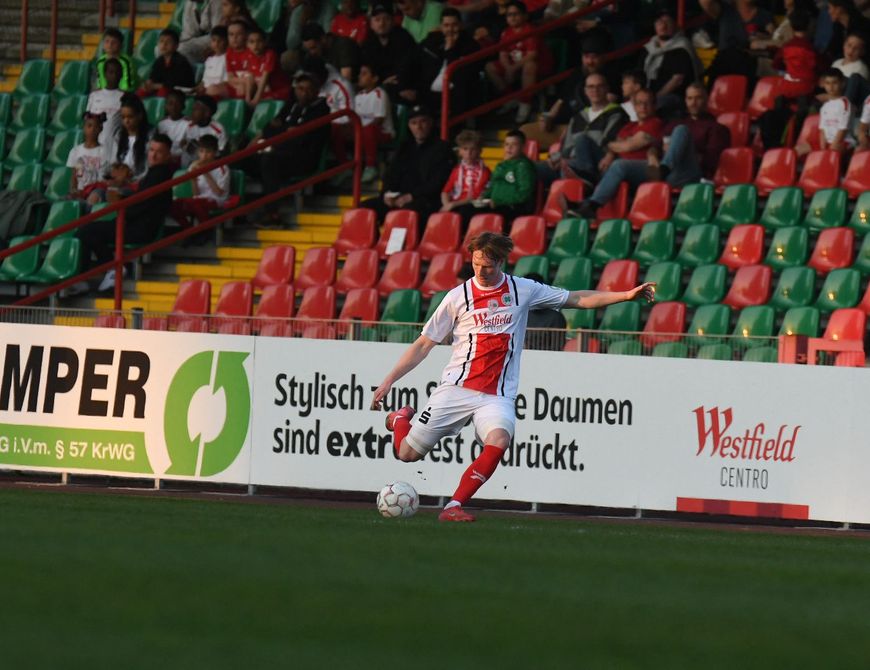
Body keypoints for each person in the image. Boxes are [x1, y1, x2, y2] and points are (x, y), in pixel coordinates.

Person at [371, 231, 655, 522]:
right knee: (406, 454)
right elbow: (423, 344)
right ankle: (401, 418)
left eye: (488, 266)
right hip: (455, 389)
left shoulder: (523, 290)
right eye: (476, 263)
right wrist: (388, 381)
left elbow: (576, 299)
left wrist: (626, 295)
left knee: (500, 439)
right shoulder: (458, 297)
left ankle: (453, 506)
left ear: (502, 263)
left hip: (496, 396)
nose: (480, 271)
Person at [77, 134, 175, 292]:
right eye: (151, 150)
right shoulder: (155, 173)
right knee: (87, 230)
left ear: (168, 155)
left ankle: (111, 269)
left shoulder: (160, 175)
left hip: (140, 228)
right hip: (133, 223)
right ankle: (101, 271)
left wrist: (121, 206)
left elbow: (143, 204)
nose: (153, 155)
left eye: (159, 152)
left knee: (86, 231)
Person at [246, 71, 331, 226]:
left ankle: (272, 215)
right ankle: (237, 213)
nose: (303, 93)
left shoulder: (321, 110)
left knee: (268, 161)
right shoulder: (291, 104)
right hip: (280, 153)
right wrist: (285, 130)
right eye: (300, 88)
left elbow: (299, 137)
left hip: (304, 158)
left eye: (307, 89)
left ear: (316, 92)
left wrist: (282, 130)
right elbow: (269, 128)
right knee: (242, 160)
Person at [569, 88, 664, 217]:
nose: (643, 107)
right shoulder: (629, 126)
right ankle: (587, 181)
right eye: (639, 103)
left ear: (654, 105)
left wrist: (617, 146)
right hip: (615, 166)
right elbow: (616, 146)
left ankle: (592, 206)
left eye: (648, 103)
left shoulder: (655, 123)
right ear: (634, 106)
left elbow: (628, 146)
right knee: (582, 141)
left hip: (642, 168)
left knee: (620, 165)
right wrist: (610, 154)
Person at [360, 104, 454, 227]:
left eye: (423, 122)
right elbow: (390, 175)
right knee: (364, 209)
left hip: (427, 201)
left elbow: (439, 182)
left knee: (407, 212)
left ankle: (399, 246)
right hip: (399, 198)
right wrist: (386, 195)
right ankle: (369, 245)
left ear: (431, 123)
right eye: (413, 123)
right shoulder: (404, 147)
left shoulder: (443, 148)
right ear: (409, 126)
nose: (418, 127)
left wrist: (411, 196)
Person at [535, 72, 628, 188]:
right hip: (569, 164)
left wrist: (568, 161)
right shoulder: (577, 117)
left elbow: (608, 143)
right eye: (591, 87)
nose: (595, 90)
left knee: (582, 139)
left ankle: (584, 178)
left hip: (598, 164)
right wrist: (553, 159)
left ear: (607, 89)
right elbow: (565, 147)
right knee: (528, 168)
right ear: (585, 91)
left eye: (600, 86)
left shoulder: (616, 114)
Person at [485, 1, 552, 124]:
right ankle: (510, 98)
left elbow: (532, 55)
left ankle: (525, 103)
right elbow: (503, 53)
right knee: (490, 67)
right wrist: (508, 68)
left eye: (516, 14)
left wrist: (512, 69)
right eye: (509, 15)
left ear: (525, 16)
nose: (512, 17)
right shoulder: (506, 32)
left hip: (538, 65)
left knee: (529, 65)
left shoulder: (531, 30)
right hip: (515, 65)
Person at [452, 129, 535, 223]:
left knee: (468, 213)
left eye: (514, 144)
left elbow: (524, 194)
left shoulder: (524, 166)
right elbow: (493, 187)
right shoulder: (501, 165)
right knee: (462, 210)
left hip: (514, 208)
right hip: (496, 205)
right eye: (507, 144)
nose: (509, 148)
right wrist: (483, 197)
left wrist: (498, 201)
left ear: (523, 147)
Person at [419, 8, 480, 116]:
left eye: (454, 25)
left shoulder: (471, 45)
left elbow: (459, 73)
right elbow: (415, 55)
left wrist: (450, 50)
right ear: (441, 27)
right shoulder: (433, 39)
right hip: (429, 89)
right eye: (446, 25)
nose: (450, 29)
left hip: (457, 91)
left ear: (461, 25)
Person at [641, 9, 700, 118]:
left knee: (659, 104)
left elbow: (677, 80)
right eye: (659, 23)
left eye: (667, 22)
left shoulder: (681, 47)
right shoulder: (649, 48)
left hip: (674, 97)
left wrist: (654, 98)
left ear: (675, 25)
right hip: (650, 96)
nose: (663, 26)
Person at [361, 3, 420, 106]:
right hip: (379, 88)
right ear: (371, 24)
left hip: (403, 87)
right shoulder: (368, 43)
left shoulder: (404, 38)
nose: (381, 24)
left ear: (393, 21)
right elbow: (367, 72)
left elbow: (408, 69)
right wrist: (382, 83)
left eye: (386, 19)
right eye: (377, 20)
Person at [171, 134, 230, 227]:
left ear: (215, 153)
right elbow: (196, 194)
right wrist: (193, 180)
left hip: (216, 200)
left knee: (195, 203)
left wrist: (206, 173)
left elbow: (219, 193)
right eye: (201, 152)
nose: (204, 156)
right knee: (173, 205)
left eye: (208, 152)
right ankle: (187, 229)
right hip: (199, 200)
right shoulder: (194, 166)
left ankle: (205, 230)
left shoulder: (222, 168)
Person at [353, 64, 395, 183]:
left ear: (375, 78)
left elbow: (379, 120)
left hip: (383, 132)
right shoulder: (358, 96)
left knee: (368, 129)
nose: (359, 76)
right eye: (360, 73)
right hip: (362, 132)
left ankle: (371, 167)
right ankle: (346, 167)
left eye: (364, 73)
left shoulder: (380, 94)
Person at [799, 68, 855, 156]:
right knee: (798, 149)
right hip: (827, 142)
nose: (831, 87)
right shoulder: (825, 106)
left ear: (842, 83)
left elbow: (843, 130)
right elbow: (822, 130)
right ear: (824, 85)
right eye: (828, 83)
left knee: (832, 151)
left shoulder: (845, 103)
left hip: (843, 142)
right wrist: (822, 148)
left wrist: (831, 147)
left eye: (835, 83)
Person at [440, 129, 491, 213]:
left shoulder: (485, 172)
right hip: (456, 203)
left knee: (465, 211)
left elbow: (474, 197)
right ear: (459, 151)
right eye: (465, 149)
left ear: (479, 151)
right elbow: (445, 192)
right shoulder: (456, 170)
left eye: (473, 149)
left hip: (472, 206)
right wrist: (447, 205)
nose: (469, 153)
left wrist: (453, 205)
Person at [242, 26, 291, 107]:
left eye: (259, 41)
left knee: (261, 105)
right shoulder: (248, 54)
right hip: (265, 91)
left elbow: (264, 78)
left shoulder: (270, 54)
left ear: (265, 42)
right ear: (247, 44)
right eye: (252, 42)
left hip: (280, 90)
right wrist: (247, 98)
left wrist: (256, 99)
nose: (255, 45)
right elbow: (250, 77)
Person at [108, 94, 153, 181]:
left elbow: (147, 169)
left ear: (140, 116)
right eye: (123, 117)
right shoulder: (118, 135)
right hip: (119, 180)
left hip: (137, 182)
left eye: (130, 117)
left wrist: (130, 177)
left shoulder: (150, 135)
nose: (126, 121)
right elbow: (113, 162)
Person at [140, 29, 196, 97]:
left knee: (164, 91)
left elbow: (174, 83)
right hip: (162, 88)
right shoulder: (159, 61)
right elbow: (153, 77)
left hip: (180, 91)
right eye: (161, 41)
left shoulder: (181, 62)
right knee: (141, 92)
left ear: (176, 46)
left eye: (168, 42)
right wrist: (148, 83)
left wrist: (156, 86)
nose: (164, 44)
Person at [67, 113, 109, 201]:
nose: (92, 129)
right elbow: (75, 175)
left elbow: (106, 177)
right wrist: (74, 190)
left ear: (100, 129)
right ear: (84, 128)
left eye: (96, 127)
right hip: (81, 190)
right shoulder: (76, 151)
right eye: (89, 126)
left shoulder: (105, 151)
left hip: (97, 189)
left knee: (92, 199)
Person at [87, 58, 125, 150]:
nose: (114, 75)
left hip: (115, 146)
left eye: (117, 72)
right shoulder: (94, 96)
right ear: (105, 74)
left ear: (121, 75)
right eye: (111, 72)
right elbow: (88, 121)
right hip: (96, 145)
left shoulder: (125, 97)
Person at [182, 95, 228, 167]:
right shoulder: (190, 126)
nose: (192, 113)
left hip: (210, 163)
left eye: (196, 110)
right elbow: (186, 145)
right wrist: (185, 145)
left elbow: (220, 153)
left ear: (207, 113)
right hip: (192, 160)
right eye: (193, 109)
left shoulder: (218, 130)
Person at [95, 28, 138, 92]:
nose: (110, 45)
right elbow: (100, 83)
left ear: (121, 45)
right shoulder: (100, 61)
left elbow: (127, 87)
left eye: (114, 42)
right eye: (107, 41)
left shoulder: (126, 62)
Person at [195, 26, 230, 98]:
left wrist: (209, 89)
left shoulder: (228, 58)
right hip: (205, 92)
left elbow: (226, 82)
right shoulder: (209, 60)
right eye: (214, 40)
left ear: (226, 41)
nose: (216, 44)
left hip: (217, 92)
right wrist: (198, 87)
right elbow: (204, 81)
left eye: (220, 41)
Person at [157, 89, 189, 163]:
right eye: (170, 104)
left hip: (179, 158)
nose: (173, 107)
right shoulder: (162, 124)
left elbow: (187, 149)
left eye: (177, 104)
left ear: (183, 106)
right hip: (163, 157)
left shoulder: (188, 124)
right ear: (166, 106)